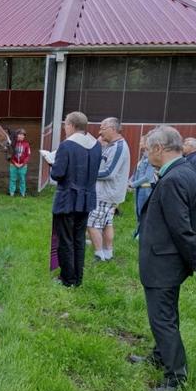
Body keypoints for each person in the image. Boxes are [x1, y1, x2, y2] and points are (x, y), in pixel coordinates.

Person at [129, 125, 196, 391]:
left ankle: (175, 377)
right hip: (167, 260)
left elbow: (182, 228)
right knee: (166, 314)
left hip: (164, 262)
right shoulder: (185, 170)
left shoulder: (174, 179)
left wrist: (193, 261)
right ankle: (160, 355)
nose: (145, 154)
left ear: (158, 148)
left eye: (146, 150)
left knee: (162, 319)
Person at [50, 111, 102, 287]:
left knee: (65, 240)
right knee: (79, 239)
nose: (65, 128)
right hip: (87, 199)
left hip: (67, 199)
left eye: (65, 125)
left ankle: (67, 279)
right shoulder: (96, 145)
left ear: (71, 125)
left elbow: (58, 174)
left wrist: (52, 162)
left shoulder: (67, 146)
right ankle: (77, 278)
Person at [88, 117, 131, 262]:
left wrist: (87, 173)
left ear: (113, 129)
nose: (100, 132)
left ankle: (99, 255)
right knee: (107, 223)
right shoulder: (111, 146)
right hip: (108, 193)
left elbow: (109, 173)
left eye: (102, 128)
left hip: (106, 193)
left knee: (91, 223)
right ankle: (108, 253)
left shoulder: (119, 147)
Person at [129, 135, 156, 238]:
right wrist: (130, 180)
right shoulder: (143, 156)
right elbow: (137, 172)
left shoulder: (150, 157)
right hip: (140, 188)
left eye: (141, 141)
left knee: (143, 212)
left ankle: (143, 234)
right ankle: (139, 232)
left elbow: (147, 176)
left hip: (146, 189)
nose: (139, 143)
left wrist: (133, 184)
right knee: (138, 211)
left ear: (146, 143)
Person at [8, 128, 31, 197]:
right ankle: (12, 192)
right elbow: (9, 155)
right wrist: (15, 163)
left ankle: (22, 193)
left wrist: (22, 164)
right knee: (12, 179)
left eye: (23, 135)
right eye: (20, 134)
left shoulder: (26, 144)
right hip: (13, 165)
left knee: (22, 179)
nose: (21, 136)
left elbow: (28, 155)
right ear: (17, 135)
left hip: (23, 166)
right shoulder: (13, 144)